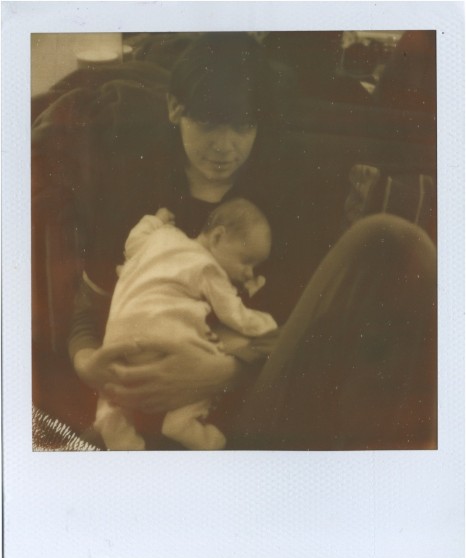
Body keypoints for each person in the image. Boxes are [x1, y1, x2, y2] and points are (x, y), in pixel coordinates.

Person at [51, 32, 435, 450]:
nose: (224, 147)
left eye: (242, 126)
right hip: (132, 411)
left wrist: (223, 373)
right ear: (175, 108)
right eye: (208, 124)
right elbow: (87, 311)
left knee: (385, 237)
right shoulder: (138, 186)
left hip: (247, 410)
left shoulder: (288, 196)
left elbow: (311, 332)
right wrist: (88, 364)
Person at [94, 200, 276, 451]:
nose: (249, 273)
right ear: (218, 236)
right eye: (246, 261)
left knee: (114, 394)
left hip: (118, 342)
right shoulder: (208, 267)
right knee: (210, 355)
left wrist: (156, 220)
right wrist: (269, 325)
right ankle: (182, 421)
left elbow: (133, 240)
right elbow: (235, 315)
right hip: (165, 342)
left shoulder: (160, 237)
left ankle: (113, 426)